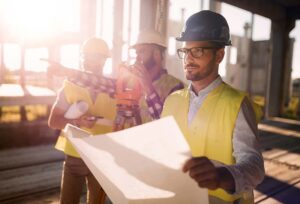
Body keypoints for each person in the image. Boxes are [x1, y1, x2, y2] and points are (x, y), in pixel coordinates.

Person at [161, 10, 265, 203]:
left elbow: (255, 167)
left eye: (198, 51)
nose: (188, 59)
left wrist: (222, 176)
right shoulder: (172, 100)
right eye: (185, 51)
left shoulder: (237, 103)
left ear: (219, 55)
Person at [49, 29, 185, 123]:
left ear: (156, 54)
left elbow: (167, 124)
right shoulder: (132, 83)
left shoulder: (175, 87)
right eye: (135, 53)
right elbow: (100, 83)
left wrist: (148, 87)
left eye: (141, 52)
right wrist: (68, 72)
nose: (137, 58)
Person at [48, 37, 116, 204]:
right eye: (85, 56)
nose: (87, 60)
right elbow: (53, 121)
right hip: (74, 154)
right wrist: (77, 122)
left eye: (93, 56)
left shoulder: (114, 88)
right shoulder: (69, 86)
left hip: (102, 155)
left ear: (103, 60)